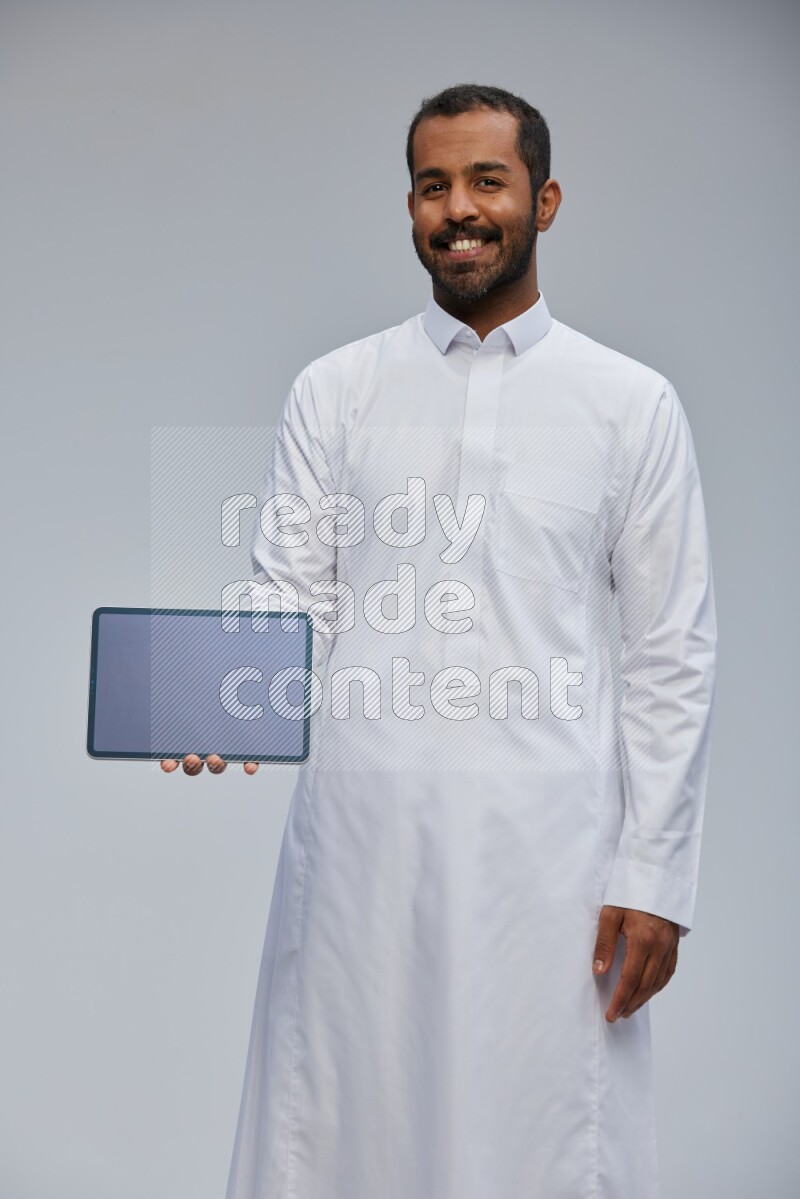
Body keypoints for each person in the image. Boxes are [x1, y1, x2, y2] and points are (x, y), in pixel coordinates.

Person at [162, 83, 717, 1198]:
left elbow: (670, 652)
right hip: (359, 848)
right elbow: (287, 603)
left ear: (543, 201)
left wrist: (653, 876)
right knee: (340, 1133)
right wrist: (216, 701)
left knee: (544, 1141)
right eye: (431, 185)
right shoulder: (337, 389)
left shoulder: (628, 404)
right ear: (409, 206)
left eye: (485, 182)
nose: (456, 209)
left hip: (550, 865)